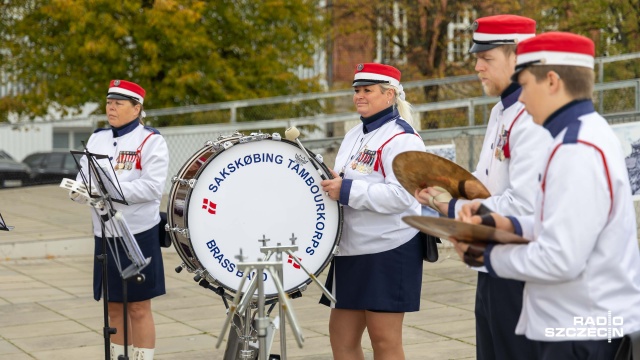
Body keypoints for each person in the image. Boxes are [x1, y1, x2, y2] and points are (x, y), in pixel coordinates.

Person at [453, 31, 640, 360]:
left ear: (552, 81)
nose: (521, 100)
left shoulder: (576, 148)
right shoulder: (584, 131)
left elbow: (560, 259)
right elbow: (565, 224)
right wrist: (506, 224)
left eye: (525, 85)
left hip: (579, 330)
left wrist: (486, 256)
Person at [413, 15, 550, 360]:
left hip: (522, 268)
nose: (476, 66)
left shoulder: (532, 117)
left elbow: (523, 205)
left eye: (486, 58)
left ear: (518, 57)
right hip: (493, 261)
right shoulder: (500, 112)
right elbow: (482, 186)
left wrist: (451, 208)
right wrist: (438, 191)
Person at [319, 63, 425, 360]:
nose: (359, 96)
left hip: (390, 248)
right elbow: (352, 178)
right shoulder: (354, 133)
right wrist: (332, 180)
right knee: (341, 337)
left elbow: (404, 196)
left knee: (384, 339)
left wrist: (347, 190)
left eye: (367, 90)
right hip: (351, 248)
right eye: (356, 90)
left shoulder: (404, 139)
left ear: (389, 94)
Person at [71, 80, 169, 360]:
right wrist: (79, 191)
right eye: (108, 102)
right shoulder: (97, 138)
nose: (111, 107)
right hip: (104, 231)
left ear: (137, 108)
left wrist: (109, 190)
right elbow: (84, 179)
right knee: (113, 307)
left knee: (138, 307)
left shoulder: (151, 141)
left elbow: (152, 188)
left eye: (118, 103)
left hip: (137, 232)